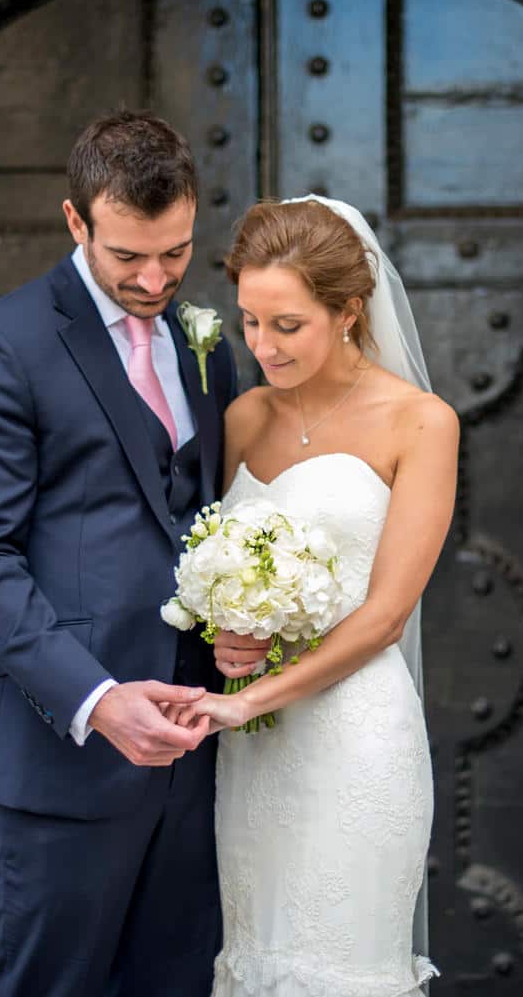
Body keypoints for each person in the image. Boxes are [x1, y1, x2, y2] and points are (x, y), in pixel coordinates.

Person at [0, 110, 238, 997]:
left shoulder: (209, 347)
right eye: (128, 256)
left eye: (175, 254)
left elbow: (210, 515)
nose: (154, 279)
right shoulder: (0, 344)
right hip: (65, 761)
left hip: (201, 760)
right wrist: (98, 701)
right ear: (76, 221)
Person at [172, 197, 459, 996]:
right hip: (257, 752)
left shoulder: (421, 423)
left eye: (287, 325)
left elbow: (386, 614)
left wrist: (246, 696)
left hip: (354, 738)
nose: (262, 346)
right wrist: (227, 636)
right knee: (255, 965)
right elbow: (219, 560)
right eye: (250, 322)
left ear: (348, 312)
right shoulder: (242, 416)